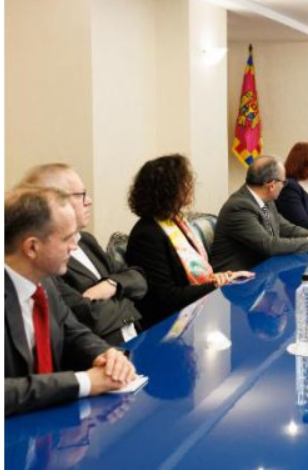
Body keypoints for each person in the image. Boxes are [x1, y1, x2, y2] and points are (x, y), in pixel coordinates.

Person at [5, 187, 136, 416]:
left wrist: (105, 355)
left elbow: (71, 331)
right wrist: (84, 382)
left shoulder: (45, 282)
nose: (75, 246)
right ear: (32, 247)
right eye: (66, 238)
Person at [19, 164, 146, 345]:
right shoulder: (47, 259)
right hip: (106, 348)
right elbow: (89, 318)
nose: (89, 201)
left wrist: (112, 285)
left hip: (138, 335)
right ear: (52, 201)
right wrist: (126, 298)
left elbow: (139, 278)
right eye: (81, 195)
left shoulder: (86, 240)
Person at [126, 154, 253, 328]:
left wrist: (225, 277)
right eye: (184, 183)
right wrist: (215, 284)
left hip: (190, 311)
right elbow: (166, 298)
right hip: (163, 326)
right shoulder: (147, 235)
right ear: (168, 189)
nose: (190, 187)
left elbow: (194, 275)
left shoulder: (176, 222)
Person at [211, 155, 308, 272]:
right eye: (284, 182)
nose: (284, 186)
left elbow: (284, 226)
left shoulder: (266, 199)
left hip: (262, 270)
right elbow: (269, 245)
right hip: (237, 280)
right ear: (272, 185)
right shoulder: (239, 207)